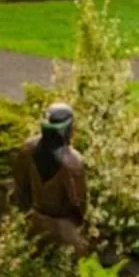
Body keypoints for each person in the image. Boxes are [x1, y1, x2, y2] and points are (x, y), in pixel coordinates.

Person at [12, 102, 88, 251]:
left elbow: (20, 187)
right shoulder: (73, 162)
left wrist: (27, 216)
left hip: (34, 222)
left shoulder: (28, 148)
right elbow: (79, 206)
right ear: (67, 129)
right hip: (64, 232)